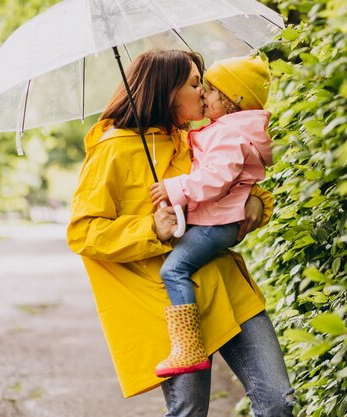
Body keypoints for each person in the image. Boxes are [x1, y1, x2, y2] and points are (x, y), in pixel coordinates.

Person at [67, 49, 295, 417]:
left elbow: (228, 178)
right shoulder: (112, 150)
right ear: (167, 90)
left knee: (277, 402)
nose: (204, 91)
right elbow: (83, 232)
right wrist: (150, 228)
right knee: (189, 411)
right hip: (173, 308)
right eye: (194, 84)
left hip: (228, 290)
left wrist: (258, 199)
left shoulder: (196, 136)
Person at [149, 55, 273, 379]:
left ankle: (188, 346)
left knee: (174, 270)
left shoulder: (229, 134)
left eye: (212, 89)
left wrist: (173, 188)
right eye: (198, 86)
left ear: (235, 101)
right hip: (217, 220)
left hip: (217, 223)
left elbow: (217, 178)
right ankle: (187, 344)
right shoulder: (225, 130)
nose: (204, 93)